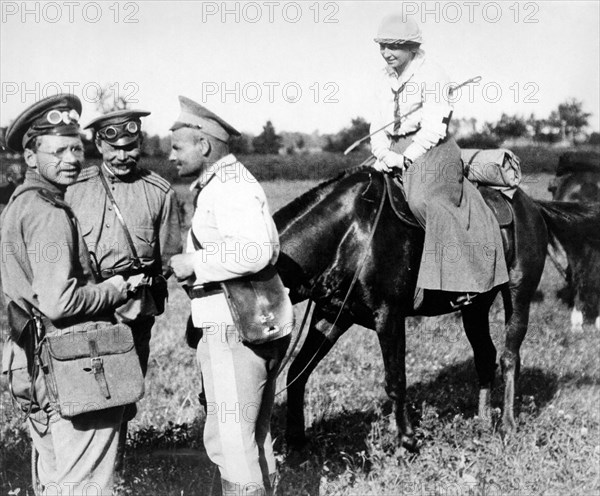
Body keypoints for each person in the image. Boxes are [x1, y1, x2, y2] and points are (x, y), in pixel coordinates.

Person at [1, 94, 131, 494]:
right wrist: (113, 290)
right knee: (86, 484)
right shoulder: (48, 214)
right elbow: (58, 301)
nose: (72, 158)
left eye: (77, 147)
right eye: (57, 150)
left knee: (57, 480)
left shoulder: (18, 206)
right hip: (69, 363)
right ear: (30, 156)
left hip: (27, 359)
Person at [168, 96, 290, 496]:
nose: (170, 156)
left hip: (230, 329)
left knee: (231, 442)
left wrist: (194, 264)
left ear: (203, 146)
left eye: (177, 146)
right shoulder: (226, 182)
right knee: (251, 438)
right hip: (243, 325)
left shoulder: (229, 187)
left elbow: (255, 251)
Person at [368, 14, 508, 307]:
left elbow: (434, 128)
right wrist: (384, 154)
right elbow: (377, 125)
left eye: (394, 46)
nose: (386, 53)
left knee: (422, 201)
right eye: (382, 46)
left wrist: (405, 158)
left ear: (412, 47)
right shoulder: (382, 77)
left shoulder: (433, 74)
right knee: (362, 192)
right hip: (393, 148)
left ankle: (461, 280)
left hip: (432, 148)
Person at [65, 109, 182, 443]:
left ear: (140, 143)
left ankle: (118, 459)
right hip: (86, 307)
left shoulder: (159, 193)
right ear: (99, 145)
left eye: (130, 146)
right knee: (84, 390)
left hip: (133, 311)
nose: (122, 155)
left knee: (125, 390)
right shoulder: (73, 189)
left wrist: (145, 282)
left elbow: (170, 258)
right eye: (113, 147)